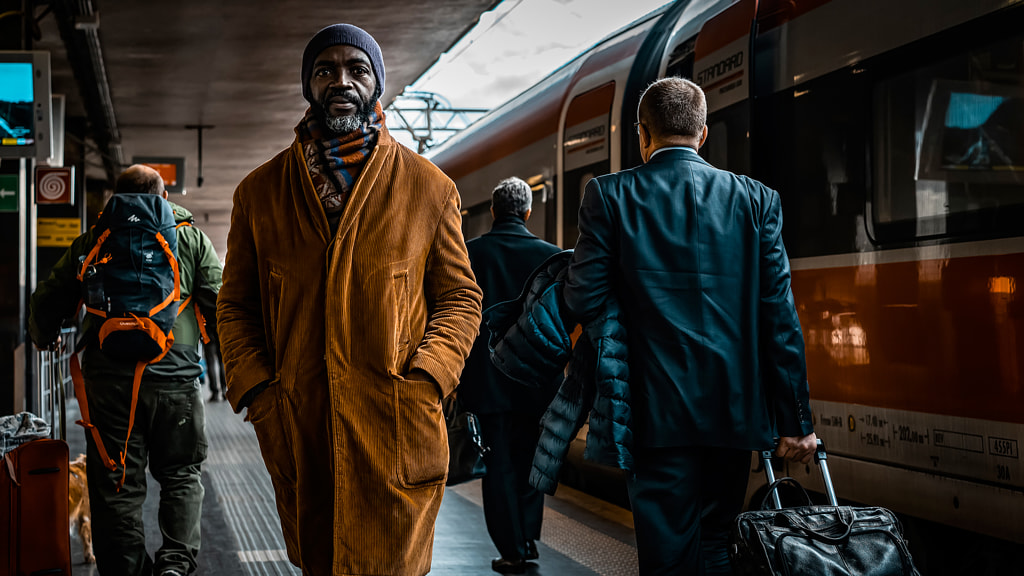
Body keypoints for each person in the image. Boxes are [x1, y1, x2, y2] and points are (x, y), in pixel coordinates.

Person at [216, 23, 483, 576]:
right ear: (310, 87)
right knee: (319, 559)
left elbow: (459, 297)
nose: (342, 80)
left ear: (377, 85)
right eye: (326, 69)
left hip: (397, 424)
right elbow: (235, 306)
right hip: (300, 423)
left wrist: (430, 376)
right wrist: (259, 391)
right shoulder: (259, 193)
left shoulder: (429, 188)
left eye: (357, 69)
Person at [562, 77, 818, 575]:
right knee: (717, 542)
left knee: (666, 552)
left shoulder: (609, 195)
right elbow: (779, 317)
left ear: (642, 134)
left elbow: (583, 297)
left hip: (653, 412)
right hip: (734, 411)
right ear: (702, 133)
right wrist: (796, 421)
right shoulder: (758, 200)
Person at [28, 164, 222, 576]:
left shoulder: (95, 239)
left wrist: (44, 336)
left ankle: (126, 572)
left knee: (115, 486)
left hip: (110, 386)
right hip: (176, 381)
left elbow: (47, 299)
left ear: (114, 198)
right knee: (181, 474)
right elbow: (222, 302)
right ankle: (174, 565)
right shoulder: (189, 239)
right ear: (164, 198)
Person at [460, 177, 561, 574]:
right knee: (531, 460)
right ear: (528, 212)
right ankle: (528, 538)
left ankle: (511, 548)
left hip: (488, 383)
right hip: (538, 381)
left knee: (498, 463)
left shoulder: (472, 254)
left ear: (494, 211)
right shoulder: (551, 257)